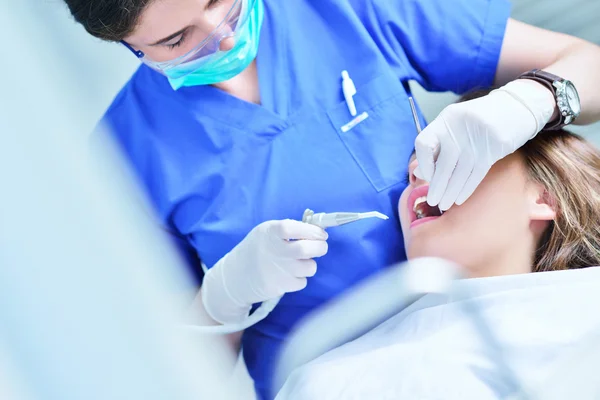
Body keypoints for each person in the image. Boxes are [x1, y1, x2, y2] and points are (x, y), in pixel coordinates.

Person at [62, 0, 600, 397]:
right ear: (129, 47)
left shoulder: (343, 11)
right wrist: (222, 300)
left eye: (216, 2)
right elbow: (158, 371)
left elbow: (585, 63)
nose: (223, 38)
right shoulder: (123, 157)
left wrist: (531, 102)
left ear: (545, 199)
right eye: (178, 39)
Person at [276, 90, 600, 399]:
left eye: (453, 154)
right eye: (409, 172)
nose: (417, 171)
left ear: (545, 198)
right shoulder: (319, 380)